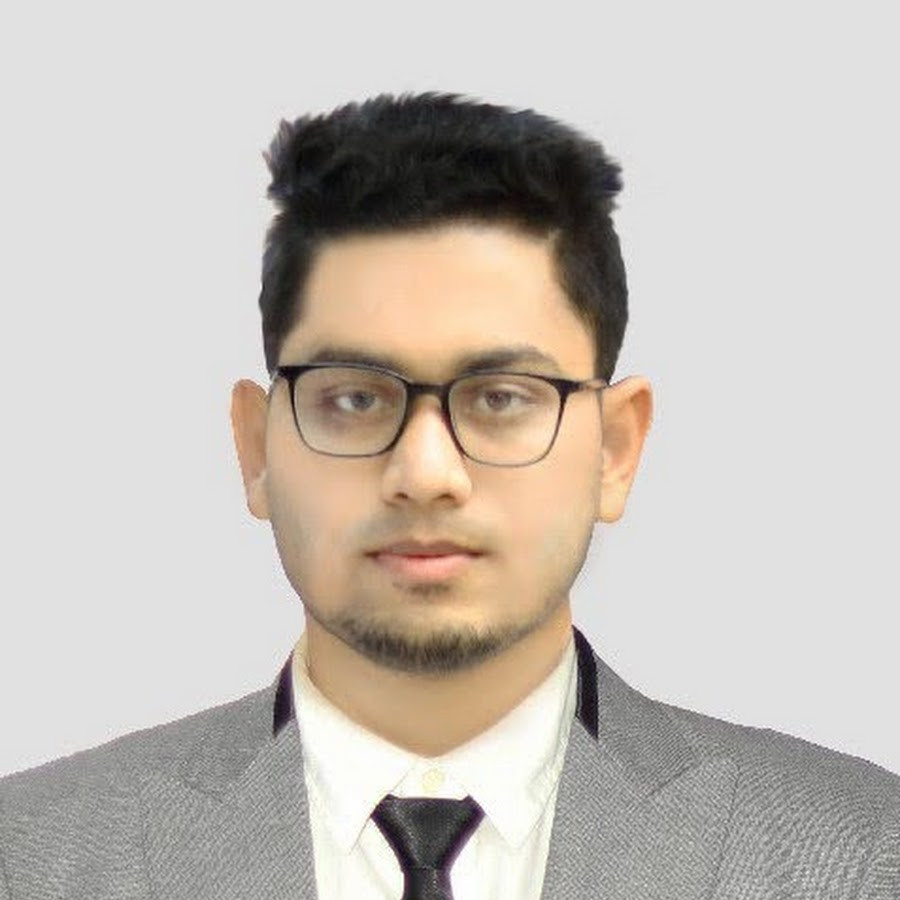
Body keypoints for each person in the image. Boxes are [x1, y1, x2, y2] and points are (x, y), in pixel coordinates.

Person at [0, 92, 897, 900]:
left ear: (616, 449)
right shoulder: (30, 857)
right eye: (354, 399)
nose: (426, 472)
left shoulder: (864, 857)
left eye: (501, 398)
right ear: (256, 447)